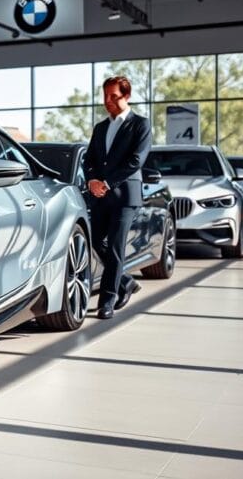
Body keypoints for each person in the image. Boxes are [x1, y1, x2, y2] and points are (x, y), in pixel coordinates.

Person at [82, 76, 152, 320]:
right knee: (95, 240)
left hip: (125, 196)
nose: (108, 101)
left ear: (127, 96)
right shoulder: (101, 127)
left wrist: (107, 183)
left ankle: (107, 301)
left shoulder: (141, 125)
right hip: (100, 195)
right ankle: (125, 281)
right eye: (105, 96)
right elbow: (89, 159)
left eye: (114, 96)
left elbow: (136, 162)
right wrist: (92, 180)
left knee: (114, 247)